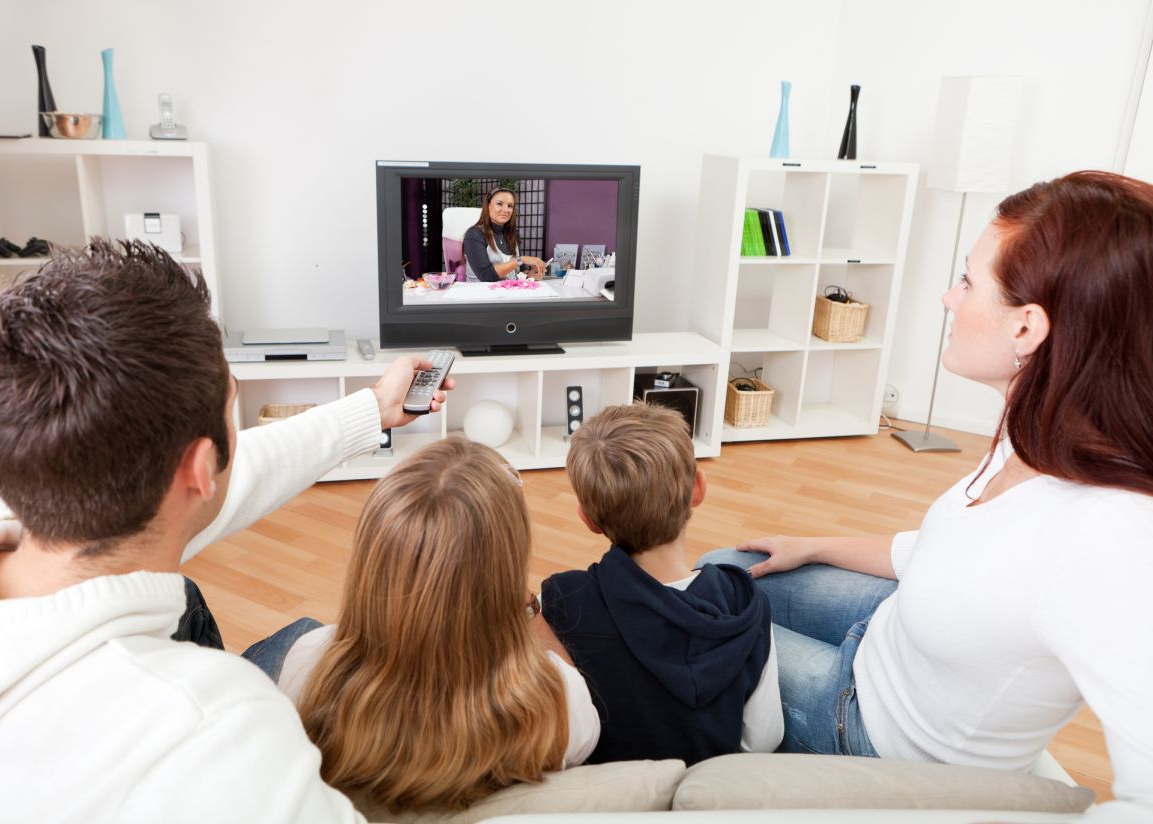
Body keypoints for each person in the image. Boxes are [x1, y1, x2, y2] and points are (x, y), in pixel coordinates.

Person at [698, 171, 1153, 818]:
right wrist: (815, 545)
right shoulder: (1042, 428)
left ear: (1027, 329)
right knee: (723, 571)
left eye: (968, 282)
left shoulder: (1112, 535)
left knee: (693, 627)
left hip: (873, 740)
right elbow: (951, 550)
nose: (948, 297)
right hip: (889, 634)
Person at [0, 240, 452, 823]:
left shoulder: (0, 512)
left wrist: (371, 408)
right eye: (232, 408)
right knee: (313, 639)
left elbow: (233, 477)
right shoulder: (222, 734)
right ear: (196, 469)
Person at [245, 438, 599, 812]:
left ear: (373, 561)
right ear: (504, 567)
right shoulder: (558, 700)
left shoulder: (308, 665)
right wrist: (529, 610)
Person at [541, 402, 782, 766]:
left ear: (588, 520)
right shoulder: (743, 602)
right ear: (698, 489)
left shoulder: (561, 598)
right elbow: (764, 739)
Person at [462, 186, 546, 282]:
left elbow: (518, 272)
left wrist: (529, 276)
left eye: (510, 206)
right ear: (488, 205)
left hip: (509, 294)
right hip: (481, 294)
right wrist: (521, 259)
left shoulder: (513, 234)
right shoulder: (474, 234)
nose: (506, 210)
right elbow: (486, 275)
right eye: (499, 204)